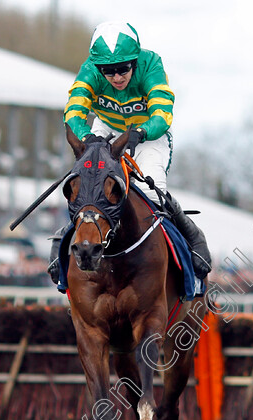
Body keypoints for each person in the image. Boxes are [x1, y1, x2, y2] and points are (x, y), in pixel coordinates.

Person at [48, 21, 212, 284]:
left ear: (134, 61)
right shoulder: (89, 71)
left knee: (150, 191)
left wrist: (141, 132)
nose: (116, 77)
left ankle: (192, 235)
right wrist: (87, 137)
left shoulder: (151, 64)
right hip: (106, 128)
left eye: (123, 69)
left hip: (147, 134)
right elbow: (74, 111)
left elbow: (162, 114)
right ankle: (64, 237)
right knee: (89, 186)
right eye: (108, 72)